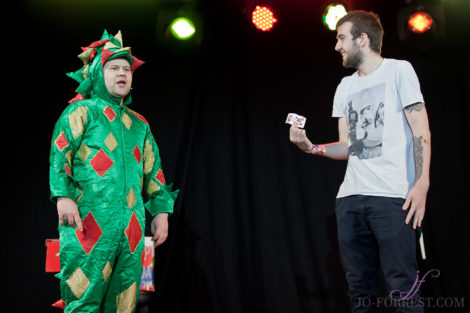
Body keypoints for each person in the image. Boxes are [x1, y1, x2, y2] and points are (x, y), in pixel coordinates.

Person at [289, 11, 431, 313]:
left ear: (362, 39)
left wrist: (422, 183)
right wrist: (312, 148)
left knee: (402, 288)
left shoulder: (398, 70)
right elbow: (347, 147)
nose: (337, 46)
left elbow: (421, 130)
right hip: (350, 199)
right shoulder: (345, 86)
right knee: (359, 291)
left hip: (393, 197)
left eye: (341, 38)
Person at [49, 30, 179, 312]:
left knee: (124, 301)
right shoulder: (81, 112)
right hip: (89, 222)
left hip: (132, 227)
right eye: (113, 68)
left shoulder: (140, 124)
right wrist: (63, 196)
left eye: (126, 69)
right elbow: (60, 154)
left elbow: (153, 172)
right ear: (97, 73)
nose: (122, 73)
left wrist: (161, 212)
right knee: (84, 297)